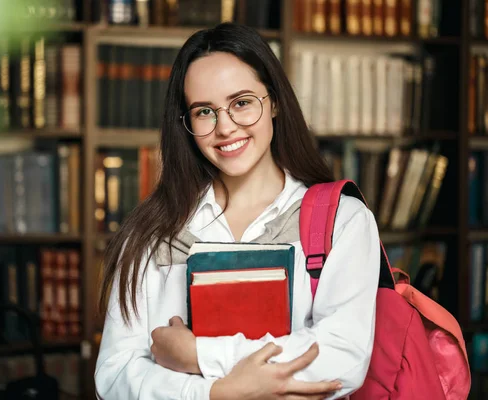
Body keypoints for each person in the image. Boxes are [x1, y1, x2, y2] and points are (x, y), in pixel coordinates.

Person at [94, 22, 380, 400]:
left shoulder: (341, 221)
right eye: (204, 111)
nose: (225, 127)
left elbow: (342, 358)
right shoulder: (149, 233)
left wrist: (197, 355)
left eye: (242, 102)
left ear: (274, 101)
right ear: (186, 123)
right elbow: (114, 377)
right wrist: (219, 393)